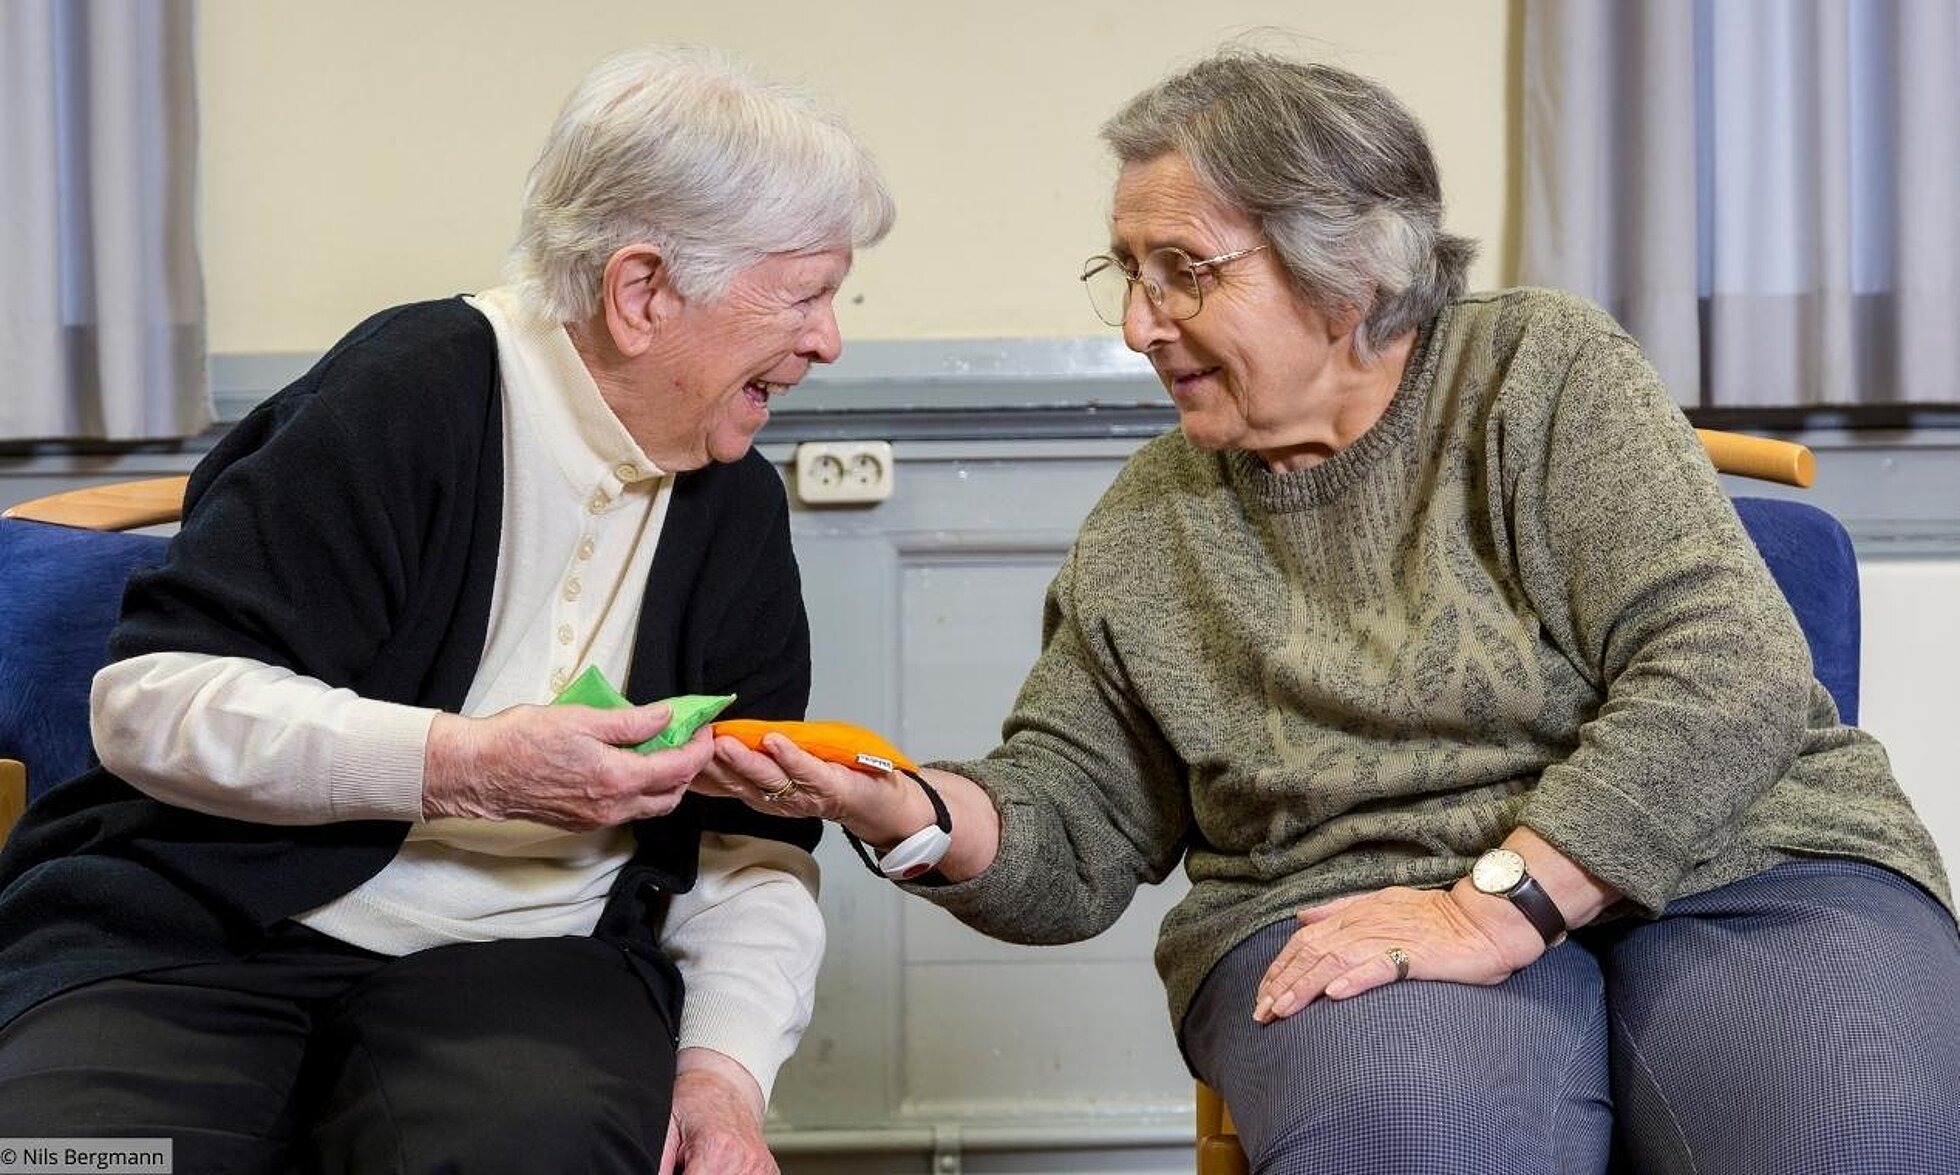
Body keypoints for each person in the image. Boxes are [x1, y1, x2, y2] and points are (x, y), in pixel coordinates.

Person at [703, 49, 1960, 1174]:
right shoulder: (1150, 528)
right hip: (1356, 897)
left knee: (1861, 1128)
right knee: (1412, 1140)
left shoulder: (1539, 372)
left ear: (1349, 271)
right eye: (1127, 273)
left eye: (1183, 271)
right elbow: (1074, 829)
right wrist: (913, 809)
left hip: (1735, 860)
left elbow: (1722, 659)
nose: (1140, 324)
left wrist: (1496, 905)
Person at [0, 45, 892, 1174]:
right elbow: (149, 701)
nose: (827, 338)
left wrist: (724, 1073)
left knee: (530, 1145)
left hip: (528, 966)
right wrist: (465, 763)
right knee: (64, 1157)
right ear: (642, 291)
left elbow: (747, 842)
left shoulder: (734, 507)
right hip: (194, 930)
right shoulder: (407, 390)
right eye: (806, 293)